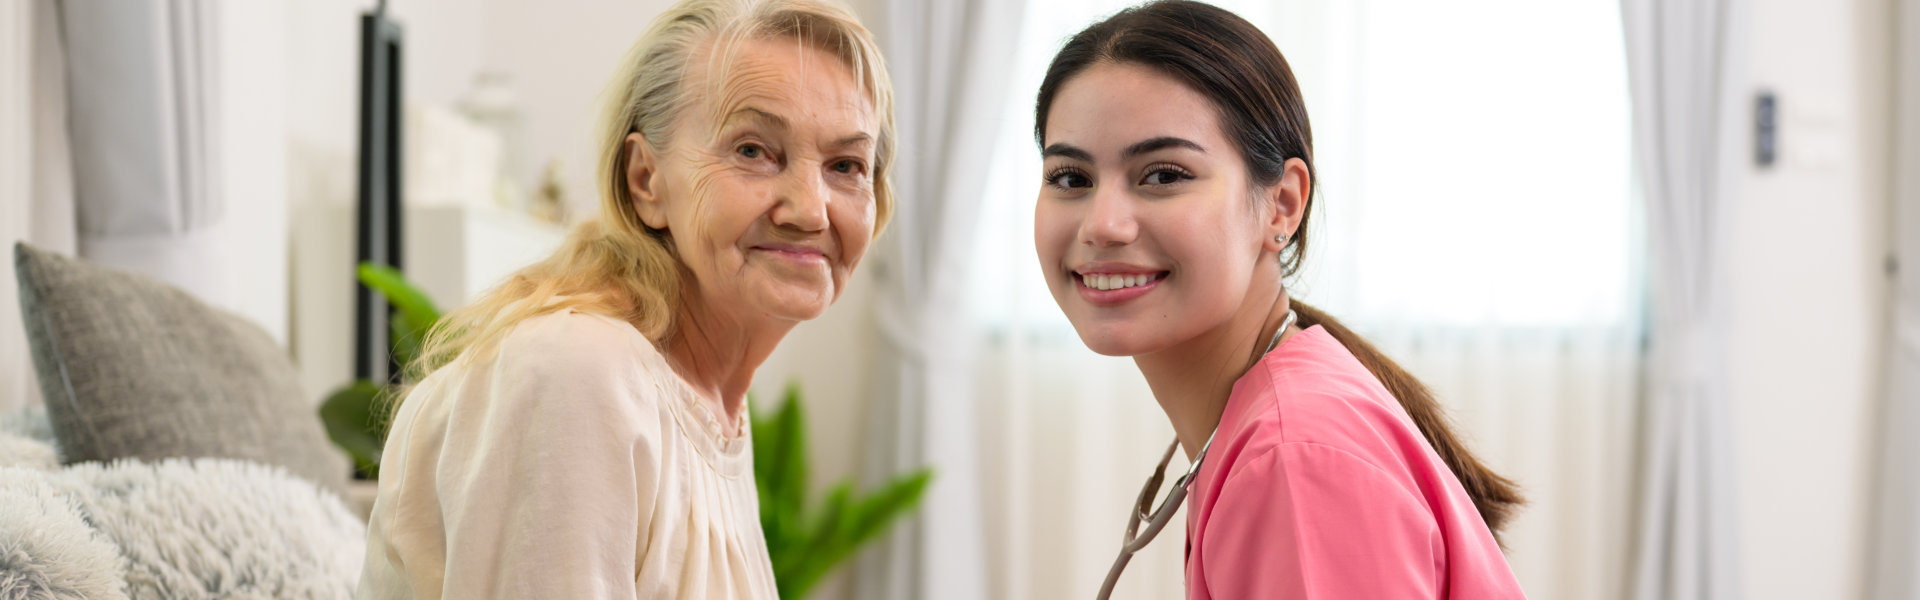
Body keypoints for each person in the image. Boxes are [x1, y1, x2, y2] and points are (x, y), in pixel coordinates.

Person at [355, 1, 894, 597]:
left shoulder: (709, 408)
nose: (811, 209)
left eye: (847, 165)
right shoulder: (580, 370)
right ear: (646, 180)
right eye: (752, 150)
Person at [1030, 2, 1526, 597]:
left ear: (1282, 204)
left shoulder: (1294, 460)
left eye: (1163, 175)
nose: (1103, 224)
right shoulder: (1274, 423)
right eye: (1070, 178)